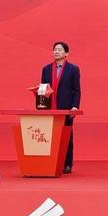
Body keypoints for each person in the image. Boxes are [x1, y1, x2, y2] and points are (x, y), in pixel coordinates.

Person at [41, 41, 81, 174]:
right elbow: (43, 88)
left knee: (66, 137)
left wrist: (75, 107)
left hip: (66, 108)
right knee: (49, 136)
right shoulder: (46, 69)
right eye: (55, 49)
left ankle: (67, 163)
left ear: (66, 53)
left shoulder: (73, 69)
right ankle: (51, 162)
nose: (56, 52)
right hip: (49, 108)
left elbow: (76, 90)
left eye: (59, 49)